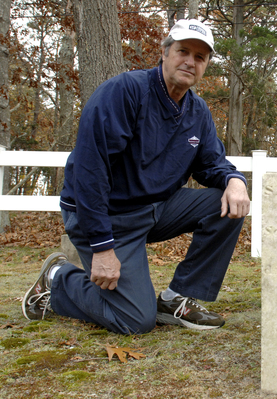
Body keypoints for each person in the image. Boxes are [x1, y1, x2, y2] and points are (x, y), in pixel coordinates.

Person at [22, 19, 250, 335]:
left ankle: (175, 298)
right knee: (135, 320)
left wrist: (235, 180)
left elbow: (212, 164)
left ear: (206, 65)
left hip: (155, 209)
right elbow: (90, 172)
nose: (190, 61)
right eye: (183, 51)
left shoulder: (197, 112)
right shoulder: (124, 93)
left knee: (226, 204)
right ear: (165, 51)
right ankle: (59, 279)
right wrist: (102, 248)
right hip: (105, 216)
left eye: (200, 57)